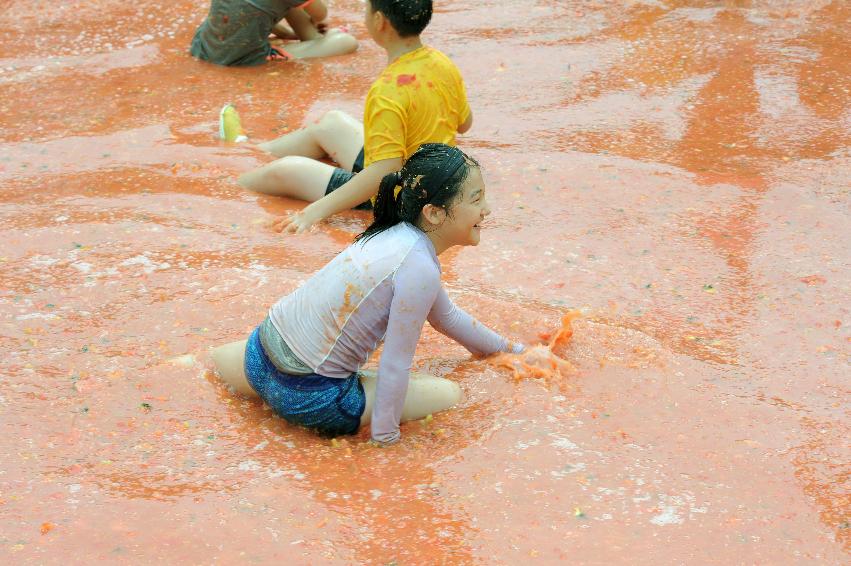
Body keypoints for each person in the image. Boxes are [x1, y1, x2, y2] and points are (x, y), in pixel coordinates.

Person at [211, 144, 523, 445]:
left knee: (209, 367)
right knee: (448, 393)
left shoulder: (392, 234)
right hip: (309, 398)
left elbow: (447, 317)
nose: (487, 209)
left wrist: (512, 351)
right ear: (434, 213)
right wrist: (384, 440)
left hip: (257, 357)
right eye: (476, 198)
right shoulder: (418, 266)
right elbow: (395, 364)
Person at [233, 0, 473, 231]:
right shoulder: (442, 63)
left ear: (379, 20)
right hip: (429, 178)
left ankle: (230, 180)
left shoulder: (387, 90)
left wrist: (312, 214)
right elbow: (464, 124)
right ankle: (244, 150)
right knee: (331, 122)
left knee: (284, 170)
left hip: (401, 196)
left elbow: (385, 171)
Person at [190, 0, 357, 66]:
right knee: (347, 42)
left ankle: (313, 39)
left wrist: (285, 33)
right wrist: (314, 19)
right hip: (239, 58)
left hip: (204, 44)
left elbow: (250, 12)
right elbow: (320, 14)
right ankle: (316, 40)